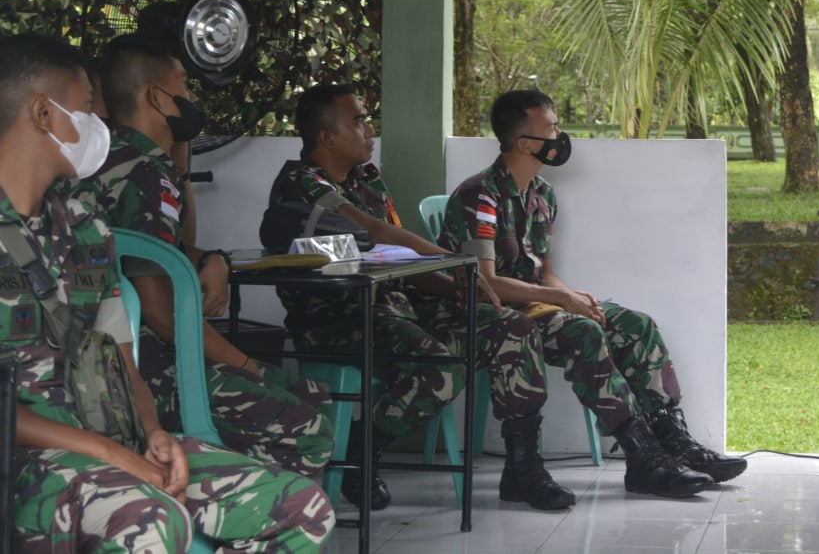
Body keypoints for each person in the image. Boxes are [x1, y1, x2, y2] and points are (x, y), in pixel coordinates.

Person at [0, 32, 334, 552]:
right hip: (21, 462)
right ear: (44, 113)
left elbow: (124, 363)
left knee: (299, 507)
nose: (98, 126)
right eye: (87, 108)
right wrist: (115, 457)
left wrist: (153, 434)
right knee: (152, 520)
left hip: (113, 442)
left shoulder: (85, 230)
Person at [266, 83, 575, 511]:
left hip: (399, 310)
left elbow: (401, 257)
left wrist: (457, 288)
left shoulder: (368, 182)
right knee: (441, 369)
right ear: (327, 137)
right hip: (340, 319)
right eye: (357, 120)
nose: (369, 127)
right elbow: (377, 233)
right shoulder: (301, 184)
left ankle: (523, 469)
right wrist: (458, 264)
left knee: (513, 328)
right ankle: (361, 450)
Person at [438, 89, 748, 499]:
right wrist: (565, 304)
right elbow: (487, 282)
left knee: (635, 325)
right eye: (550, 128)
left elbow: (544, 272)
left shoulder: (542, 195)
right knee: (580, 332)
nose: (559, 134)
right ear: (527, 144)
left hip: (533, 305)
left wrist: (574, 296)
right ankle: (643, 459)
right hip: (490, 312)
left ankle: (675, 443)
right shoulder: (480, 197)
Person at [76, 34, 336, 480]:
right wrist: (244, 364)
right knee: (307, 419)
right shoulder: (143, 173)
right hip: (144, 367)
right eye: (186, 87)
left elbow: (171, 248)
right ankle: (248, 521)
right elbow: (160, 313)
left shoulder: (118, 160)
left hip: (117, 360)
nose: (194, 98)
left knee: (311, 393)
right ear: (157, 97)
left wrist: (210, 253)